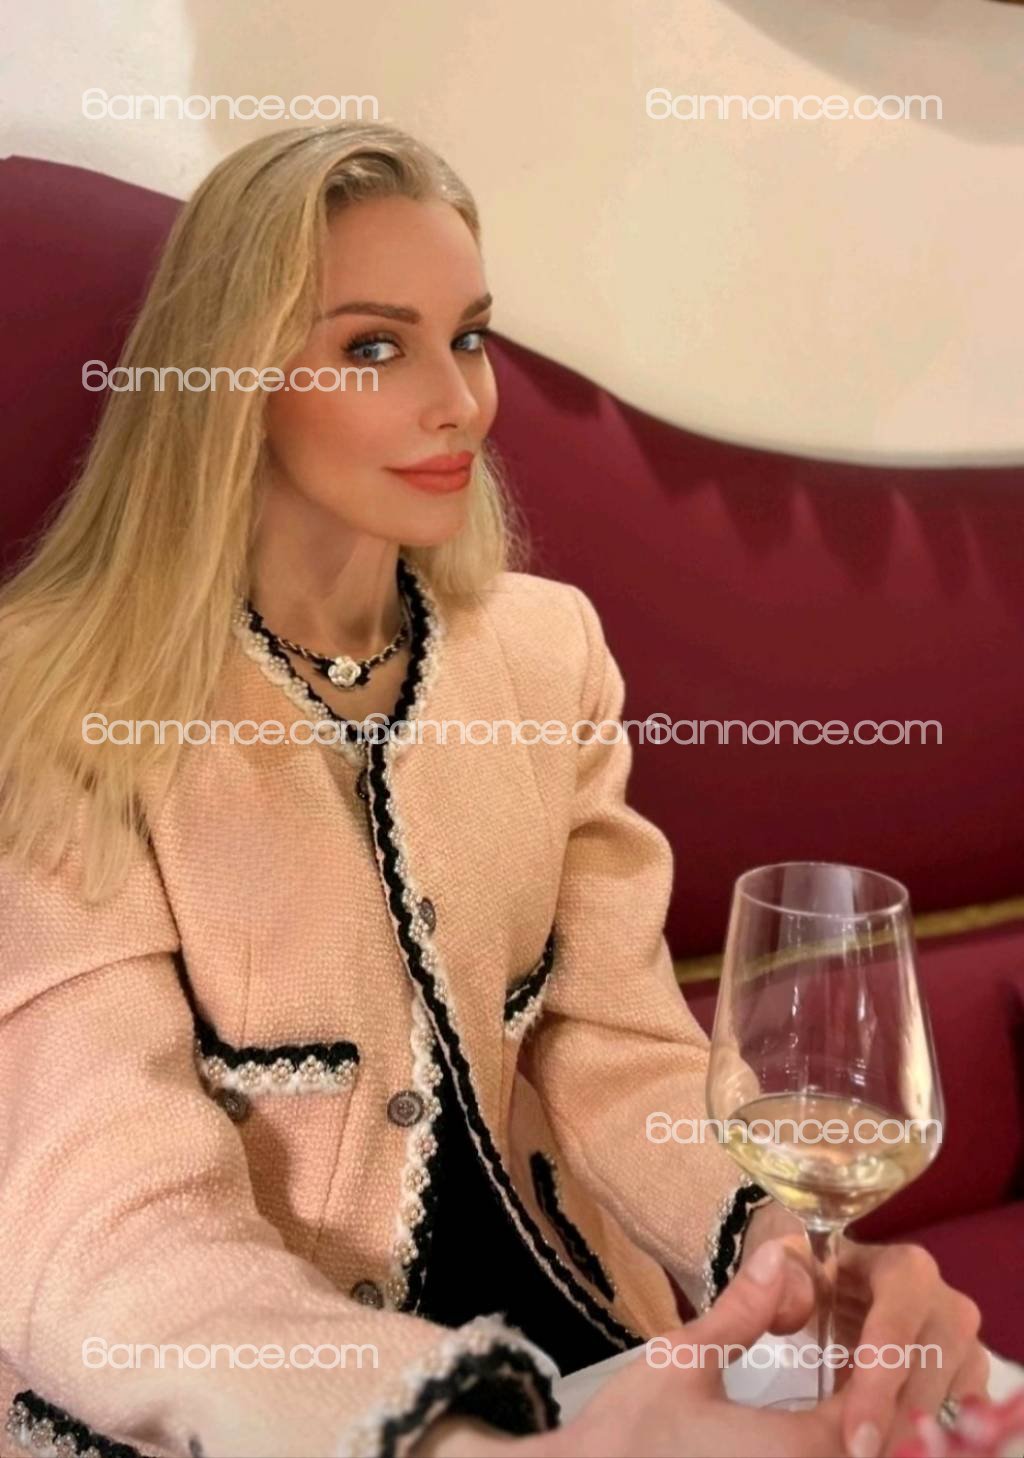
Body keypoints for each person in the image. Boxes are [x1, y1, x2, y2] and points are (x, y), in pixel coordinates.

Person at [0, 121, 986, 1458]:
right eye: (373, 347)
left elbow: (609, 1047)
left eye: (468, 337)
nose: (460, 401)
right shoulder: (56, 703)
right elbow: (108, 1239)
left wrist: (780, 1250)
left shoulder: (543, 648)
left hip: (602, 1353)